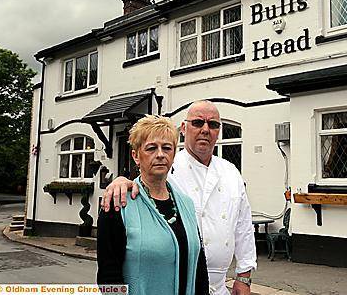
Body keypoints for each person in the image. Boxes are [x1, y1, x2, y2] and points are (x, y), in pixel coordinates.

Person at [102, 100, 257, 295]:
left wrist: (244, 276)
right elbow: (109, 275)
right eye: (198, 123)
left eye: (213, 124)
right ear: (184, 128)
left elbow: (244, 226)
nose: (205, 130)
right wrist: (120, 180)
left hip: (215, 285)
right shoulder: (140, 190)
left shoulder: (230, 172)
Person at [97, 115, 209, 295]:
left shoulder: (186, 205)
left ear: (173, 154)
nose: (160, 154)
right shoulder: (118, 204)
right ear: (136, 155)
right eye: (151, 148)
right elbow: (108, 276)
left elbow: (200, 269)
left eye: (167, 148)